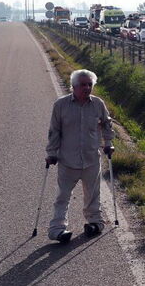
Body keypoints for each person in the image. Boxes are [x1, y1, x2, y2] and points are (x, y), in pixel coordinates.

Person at [45, 69, 114, 243]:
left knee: (92, 194)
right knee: (63, 196)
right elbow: (55, 131)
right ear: (74, 86)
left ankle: (95, 223)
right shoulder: (61, 105)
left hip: (91, 159)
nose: (87, 88)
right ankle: (57, 230)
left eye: (90, 85)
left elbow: (107, 123)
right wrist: (51, 153)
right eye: (83, 85)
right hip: (68, 160)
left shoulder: (98, 104)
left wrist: (108, 143)